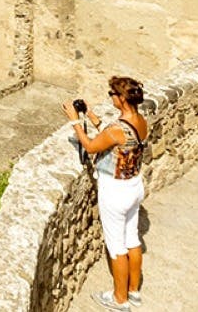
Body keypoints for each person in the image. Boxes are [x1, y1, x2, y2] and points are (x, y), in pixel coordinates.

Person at [63, 76, 149, 311]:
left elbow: (91, 147)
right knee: (132, 239)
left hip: (115, 191)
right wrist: (91, 115)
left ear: (121, 99)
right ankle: (133, 292)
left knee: (116, 247)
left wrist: (75, 123)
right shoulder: (140, 121)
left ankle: (119, 299)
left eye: (112, 94)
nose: (110, 96)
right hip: (133, 185)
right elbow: (117, 138)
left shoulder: (116, 129)